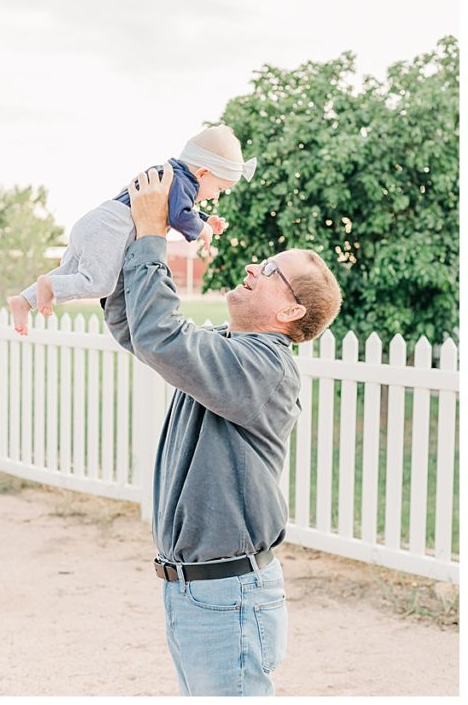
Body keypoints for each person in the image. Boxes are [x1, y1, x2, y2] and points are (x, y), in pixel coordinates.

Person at [103, 162, 342, 696]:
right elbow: (141, 333)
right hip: (197, 590)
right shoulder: (232, 351)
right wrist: (131, 232)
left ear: (292, 309)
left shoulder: (264, 368)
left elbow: (162, 337)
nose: (254, 269)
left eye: (271, 272)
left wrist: (150, 239)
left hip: (228, 592)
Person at [8, 125, 252, 334]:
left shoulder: (169, 173)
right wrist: (202, 230)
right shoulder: (183, 182)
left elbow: (178, 208)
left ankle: (23, 301)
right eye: (219, 189)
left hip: (95, 221)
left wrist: (205, 219)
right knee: (101, 284)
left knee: (69, 270)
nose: (216, 196)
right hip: (110, 229)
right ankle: (50, 286)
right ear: (202, 173)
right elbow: (179, 215)